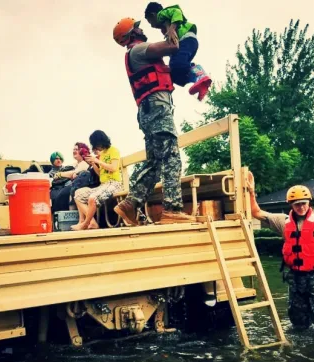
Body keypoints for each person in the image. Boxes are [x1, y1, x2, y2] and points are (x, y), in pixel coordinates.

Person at [112, 17, 196, 226]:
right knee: (171, 157)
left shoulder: (136, 53)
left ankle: (130, 204)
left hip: (150, 111)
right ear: (132, 34)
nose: (143, 29)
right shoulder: (139, 50)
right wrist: (171, 25)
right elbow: (173, 46)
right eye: (138, 27)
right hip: (157, 110)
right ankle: (172, 210)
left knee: (155, 163)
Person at [247, 172, 314, 335]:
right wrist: (252, 192)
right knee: (297, 317)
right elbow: (256, 212)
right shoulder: (282, 221)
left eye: (303, 203)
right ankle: (301, 345)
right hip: (295, 276)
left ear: (309, 202)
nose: (301, 207)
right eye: (296, 204)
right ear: (291, 205)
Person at [144, 2, 212, 101]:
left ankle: (198, 72)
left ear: (153, 15)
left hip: (186, 39)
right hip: (188, 43)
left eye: (150, 22)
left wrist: (172, 28)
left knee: (177, 63)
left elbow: (177, 11)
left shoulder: (161, 14)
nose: (151, 26)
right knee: (174, 73)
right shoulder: (165, 23)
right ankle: (200, 83)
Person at [72, 131, 122, 230]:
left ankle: (86, 224)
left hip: (114, 184)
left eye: (95, 144)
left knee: (92, 198)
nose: (95, 147)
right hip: (104, 185)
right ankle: (92, 222)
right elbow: (100, 174)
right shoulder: (102, 154)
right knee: (78, 194)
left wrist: (97, 161)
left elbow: (113, 168)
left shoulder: (113, 150)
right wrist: (93, 164)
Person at [51, 143, 92, 213]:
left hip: (80, 187)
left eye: (77, 149)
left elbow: (73, 174)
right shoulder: (75, 164)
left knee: (63, 194)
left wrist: (60, 174)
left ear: (83, 151)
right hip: (72, 186)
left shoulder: (85, 163)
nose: (74, 151)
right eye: (74, 149)